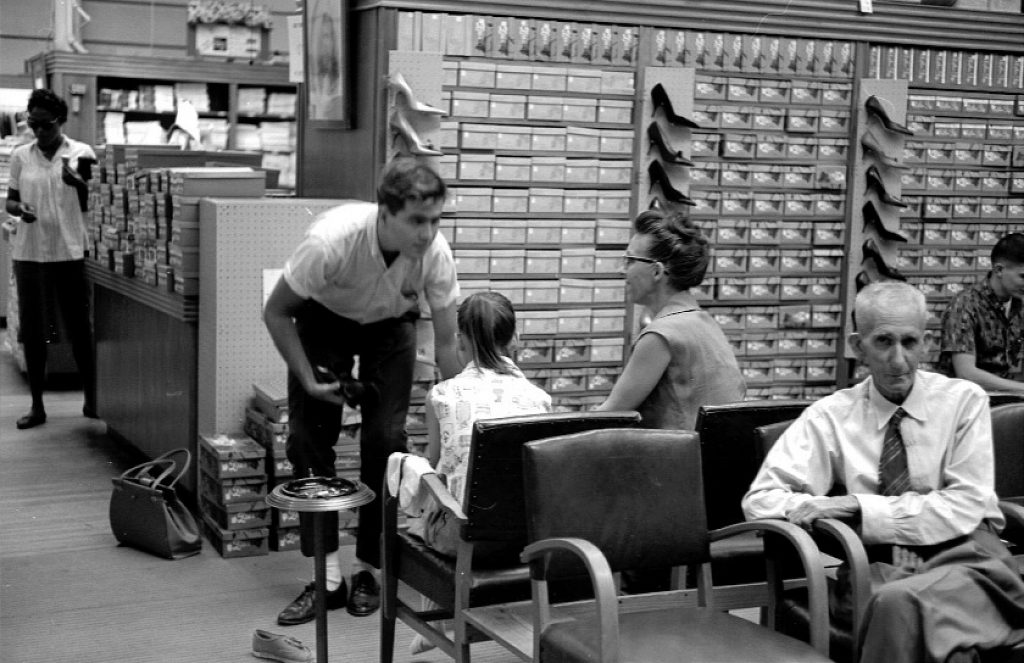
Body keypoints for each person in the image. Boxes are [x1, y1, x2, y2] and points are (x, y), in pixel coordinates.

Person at [743, 281, 1024, 663]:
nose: (898, 360)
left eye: (909, 342)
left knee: (901, 607)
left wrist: (860, 506)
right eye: (883, 342)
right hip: (880, 564)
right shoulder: (831, 416)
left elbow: (966, 504)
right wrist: (822, 508)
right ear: (858, 346)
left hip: (967, 561)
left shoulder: (963, 402)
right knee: (915, 619)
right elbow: (761, 500)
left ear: (926, 342)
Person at [263, 158, 460, 625]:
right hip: (325, 320)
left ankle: (367, 568)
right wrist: (308, 379)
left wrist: (457, 411)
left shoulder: (436, 254)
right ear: (384, 212)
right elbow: (277, 312)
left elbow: (449, 340)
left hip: (390, 328)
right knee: (309, 441)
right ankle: (326, 578)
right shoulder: (331, 241)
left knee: (386, 444)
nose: (427, 233)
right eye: (416, 221)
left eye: (435, 220)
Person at [419, 291, 552, 556]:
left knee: (418, 512)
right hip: (529, 538)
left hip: (463, 540)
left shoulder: (441, 396)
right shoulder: (540, 400)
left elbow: (433, 468)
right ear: (515, 339)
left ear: (460, 342)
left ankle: (442, 593)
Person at [596, 209, 745, 429]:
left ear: (657, 272)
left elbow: (610, 415)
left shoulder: (660, 335)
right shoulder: (702, 322)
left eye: (629, 261)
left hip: (679, 461)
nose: (622, 271)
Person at [4, 89, 97, 430]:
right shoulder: (21, 156)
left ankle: (91, 400)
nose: (39, 131)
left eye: (46, 125)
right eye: (33, 124)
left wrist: (80, 185)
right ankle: (37, 406)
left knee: (79, 328)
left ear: (61, 121)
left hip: (71, 251)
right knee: (35, 331)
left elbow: (96, 202)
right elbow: (10, 202)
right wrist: (20, 209)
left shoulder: (82, 153)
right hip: (30, 253)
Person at [939, 232, 1024, 393]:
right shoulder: (964, 305)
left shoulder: (1018, 303)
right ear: (998, 270)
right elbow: (966, 374)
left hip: (1003, 399)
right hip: (961, 403)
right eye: (1023, 276)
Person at [308, 2, 345, 121]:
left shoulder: (341, 76)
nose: (329, 43)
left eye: (331, 36)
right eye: (325, 36)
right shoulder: (311, 78)